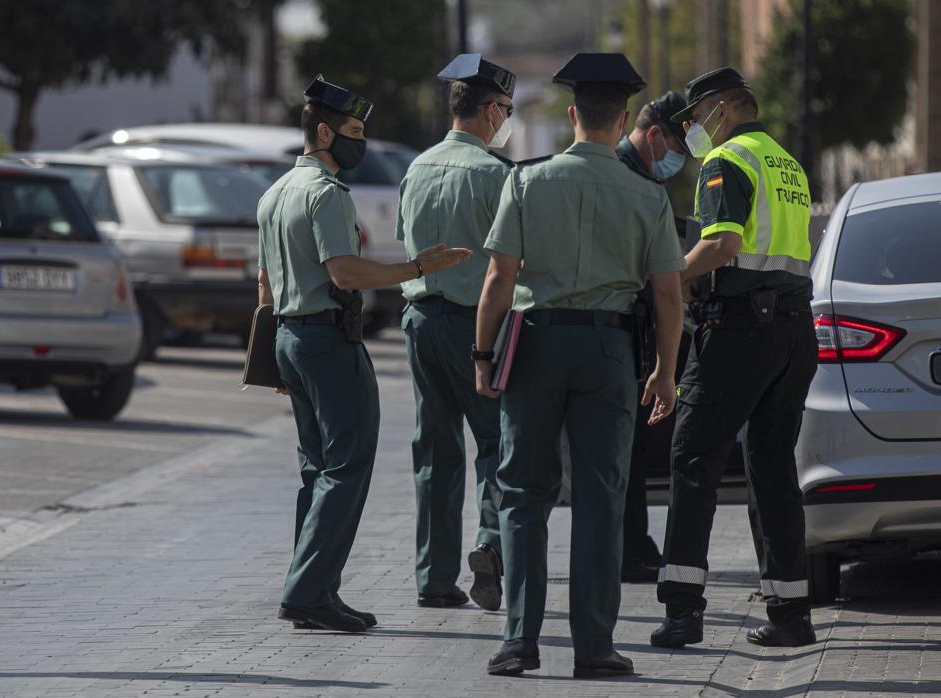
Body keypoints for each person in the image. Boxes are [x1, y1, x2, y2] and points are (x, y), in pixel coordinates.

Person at [473, 53, 684, 678]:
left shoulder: (526, 182)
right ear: (622, 121)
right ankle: (594, 648)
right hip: (608, 350)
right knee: (601, 497)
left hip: (534, 343)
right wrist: (665, 370)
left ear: (571, 115)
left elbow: (497, 279)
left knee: (523, 494)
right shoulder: (648, 197)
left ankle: (519, 642)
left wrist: (483, 356)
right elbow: (669, 295)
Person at [257, 75, 471, 634]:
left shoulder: (275, 192)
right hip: (327, 339)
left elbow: (263, 283)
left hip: (290, 336)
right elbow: (345, 272)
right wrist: (419, 267)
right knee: (347, 467)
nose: (360, 142)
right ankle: (307, 591)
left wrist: (273, 357)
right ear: (323, 131)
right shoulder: (324, 194)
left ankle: (313, 585)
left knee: (317, 470)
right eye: (353, 132)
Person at [650, 67, 817, 649]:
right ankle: (791, 615)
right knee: (772, 469)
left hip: (742, 331)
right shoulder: (786, 162)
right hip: (795, 333)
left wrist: (665, 275)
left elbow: (723, 244)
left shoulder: (729, 160)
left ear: (721, 109)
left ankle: (681, 611)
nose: (694, 130)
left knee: (693, 456)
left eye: (696, 119)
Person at [398, 53, 516, 612]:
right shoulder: (497, 174)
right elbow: (515, 259)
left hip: (422, 321)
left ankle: (434, 577)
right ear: (491, 110)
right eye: (507, 110)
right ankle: (491, 545)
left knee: (435, 451)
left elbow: (406, 240)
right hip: (478, 327)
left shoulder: (415, 168)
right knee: (496, 443)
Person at [615, 90, 692, 584]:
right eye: (676, 151)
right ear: (655, 134)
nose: (677, 164)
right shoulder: (628, 180)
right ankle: (626, 548)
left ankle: (633, 542)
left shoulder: (639, 176)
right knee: (623, 448)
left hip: (628, 329)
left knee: (633, 448)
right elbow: (658, 281)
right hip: (618, 329)